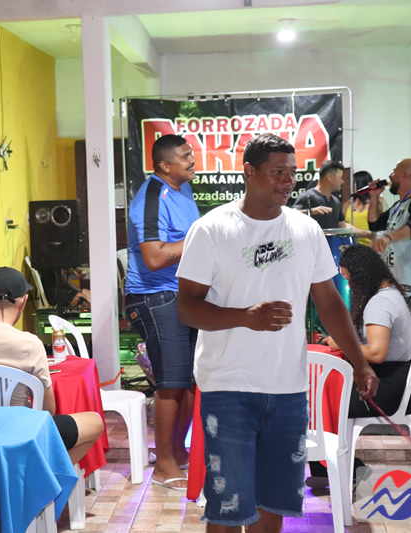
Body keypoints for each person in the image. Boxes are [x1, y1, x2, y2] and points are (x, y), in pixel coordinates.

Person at [176, 133, 378, 533]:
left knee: (274, 505)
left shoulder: (306, 230)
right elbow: (187, 308)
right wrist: (244, 316)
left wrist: (360, 361)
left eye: (292, 172)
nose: (288, 181)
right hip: (228, 387)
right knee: (228, 508)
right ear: (249, 172)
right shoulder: (211, 229)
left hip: (288, 389)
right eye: (277, 172)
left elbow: (329, 303)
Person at [0, 266, 104, 464]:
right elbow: (47, 410)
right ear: (23, 301)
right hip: (21, 432)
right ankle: (45, 478)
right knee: (95, 422)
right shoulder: (29, 343)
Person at [125, 133, 200, 489]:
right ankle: (164, 463)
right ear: (164, 165)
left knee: (190, 380)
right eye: (185, 156)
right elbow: (154, 257)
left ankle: (178, 451)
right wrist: (202, 238)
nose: (193, 160)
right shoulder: (151, 197)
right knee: (171, 381)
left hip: (183, 294)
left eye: (191, 153)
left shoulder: (184, 191)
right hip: (154, 297)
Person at [310, 244, 411, 486]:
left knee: (318, 400)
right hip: (395, 380)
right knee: (321, 394)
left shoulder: (380, 303)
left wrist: (341, 344)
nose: (349, 287)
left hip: (385, 388)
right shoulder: (391, 293)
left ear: (362, 276)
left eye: (350, 281)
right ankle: (328, 467)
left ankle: (341, 468)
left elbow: (377, 353)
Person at [367, 158, 411, 331]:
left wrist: (388, 238)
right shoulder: (398, 206)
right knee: (398, 337)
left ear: (404, 175)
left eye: (394, 172)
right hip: (396, 282)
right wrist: (374, 197)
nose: (390, 176)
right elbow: (374, 224)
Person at [292, 160, 371, 239]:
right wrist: (310, 211)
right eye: (340, 178)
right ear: (330, 177)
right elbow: (291, 216)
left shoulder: (336, 202)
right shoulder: (307, 197)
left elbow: (343, 227)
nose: (342, 182)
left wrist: (369, 234)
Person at [343, 170, 382, 245]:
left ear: (360, 184)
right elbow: (342, 224)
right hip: (351, 246)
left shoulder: (378, 202)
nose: (350, 186)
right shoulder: (348, 203)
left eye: (353, 183)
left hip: (372, 246)